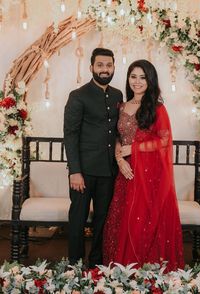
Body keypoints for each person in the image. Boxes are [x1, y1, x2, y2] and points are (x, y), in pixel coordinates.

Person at [103, 59, 184, 271]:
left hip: (149, 175)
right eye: (133, 76)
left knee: (144, 222)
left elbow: (164, 140)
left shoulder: (157, 108)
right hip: (126, 171)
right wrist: (120, 159)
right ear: (128, 79)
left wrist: (134, 149)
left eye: (142, 77)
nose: (137, 82)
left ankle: (146, 270)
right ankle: (122, 271)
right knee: (121, 219)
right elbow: (117, 137)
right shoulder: (121, 105)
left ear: (150, 80)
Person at [64, 48, 123, 268]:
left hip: (108, 171)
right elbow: (70, 135)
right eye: (100, 65)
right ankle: (75, 264)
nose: (104, 69)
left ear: (114, 67)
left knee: (103, 221)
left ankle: (97, 262)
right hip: (83, 172)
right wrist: (74, 171)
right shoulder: (78, 96)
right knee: (78, 219)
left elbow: (116, 131)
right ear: (91, 68)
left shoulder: (117, 95)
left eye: (108, 65)